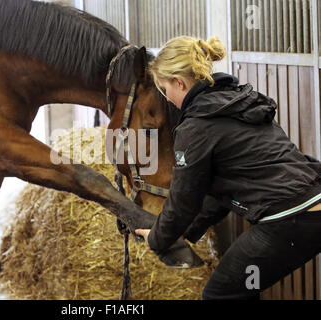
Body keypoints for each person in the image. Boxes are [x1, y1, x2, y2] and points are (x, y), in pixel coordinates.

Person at [135, 36, 321, 300]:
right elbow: (219, 195)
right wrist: (187, 232)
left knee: (219, 295)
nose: (168, 99)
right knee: (242, 288)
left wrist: (157, 238)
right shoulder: (238, 102)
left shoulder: (196, 127)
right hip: (312, 206)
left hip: (288, 218)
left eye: (165, 89)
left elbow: (184, 200)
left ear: (179, 82)